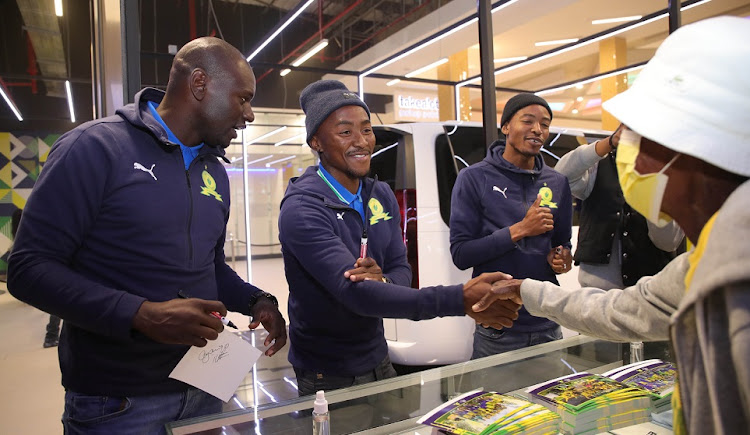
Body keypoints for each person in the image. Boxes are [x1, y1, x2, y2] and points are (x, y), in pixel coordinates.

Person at [472, 16, 750, 433]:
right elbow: (626, 308)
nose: (629, 159)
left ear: (694, 149)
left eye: (641, 139)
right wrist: (524, 290)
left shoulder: (737, 280)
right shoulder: (709, 258)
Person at [8, 37, 287, 434]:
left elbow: (210, 266)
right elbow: (28, 269)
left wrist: (257, 300)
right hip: (119, 403)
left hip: (205, 387)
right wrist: (140, 315)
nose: (250, 114)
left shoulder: (214, 172)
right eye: (243, 99)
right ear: (200, 85)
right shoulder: (95, 148)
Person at [278, 80, 521, 397]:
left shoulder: (379, 193)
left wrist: (384, 285)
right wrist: (458, 299)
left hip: (379, 358)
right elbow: (356, 295)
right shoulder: (302, 208)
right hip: (328, 372)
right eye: (345, 131)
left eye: (366, 129)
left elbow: (399, 267)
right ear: (316, 142)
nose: (362, 141)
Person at [449, 92, 574, 359]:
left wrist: (562, 258)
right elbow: (461, 254)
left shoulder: (557, 181)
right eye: (527, 121)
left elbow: (562, 244)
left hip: (547, 320)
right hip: (499, 324)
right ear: (506, 127)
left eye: (545, 124)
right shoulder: (473, 178)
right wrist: (520, 230)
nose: (537, 130)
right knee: (495, 401)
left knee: (549, 401)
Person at [555, 124, 683, 290]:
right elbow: (560, 178)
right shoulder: (598, 163)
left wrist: (652, 189)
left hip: (647, 293)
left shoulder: (672, 174)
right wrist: (607, 143)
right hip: (596, 292)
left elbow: (668, 242)